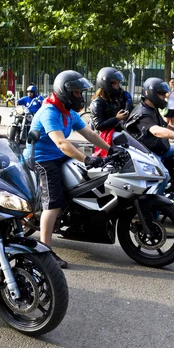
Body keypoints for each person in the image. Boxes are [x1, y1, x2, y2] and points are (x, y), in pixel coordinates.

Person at [24, 70, 112, 269]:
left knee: (83, 181)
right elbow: (62, 143)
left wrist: (110, 149)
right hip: (42, 158)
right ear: (65, 92)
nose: (80, 96)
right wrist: (86, 158)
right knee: (53, 202)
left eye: (81, 92)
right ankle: (45, 251)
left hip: (57, 155)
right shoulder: (50, 112)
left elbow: (89, 133)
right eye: (77, 92)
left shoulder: (68, 112)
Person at [125, 77, 174, 194]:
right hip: (149, 153)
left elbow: (166, 126)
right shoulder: (142, 113)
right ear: (151, 93)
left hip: (162, 148)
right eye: (161, 94)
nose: (165, 97)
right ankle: (155, 208)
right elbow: (157, 131)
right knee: (162, 176)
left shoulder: (152, 109)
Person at [89, 67, 129, 136]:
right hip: (103, 137)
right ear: (106, 83)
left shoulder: (115, 98)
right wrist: (117, 118)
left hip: (115, 134)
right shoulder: (97, 102)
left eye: (119, 82)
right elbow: (98, 125)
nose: (118, 86)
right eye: (116, 83)